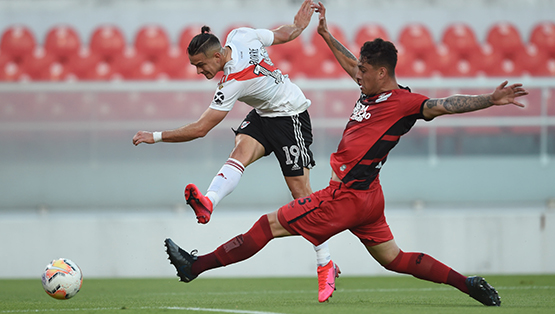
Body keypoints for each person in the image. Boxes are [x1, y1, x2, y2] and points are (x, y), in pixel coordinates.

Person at [163, 1, 529, 306]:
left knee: (267, 226)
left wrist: (490, 100)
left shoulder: (405, 103)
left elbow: (446, 104)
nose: (358, 73)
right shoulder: (372, 90)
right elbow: (350, 63)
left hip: (347, 195)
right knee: (395, 258)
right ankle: (467, 284)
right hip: (370, 196)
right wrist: (325, 35)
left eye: (364, 70)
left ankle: (194, 267)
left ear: (382, 73)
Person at [132, 0, 339, 302]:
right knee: (239, 151)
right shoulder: (240, 35)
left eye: (202, 65)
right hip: (263, 114)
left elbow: (201, 128)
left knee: (302, 197)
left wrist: (156, 136)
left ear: (217, 56)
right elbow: (284, 34)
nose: (200, 71)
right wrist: (298, 26)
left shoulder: (232, 82)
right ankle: (209, 202)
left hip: (290, 116)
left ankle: (326, 263)